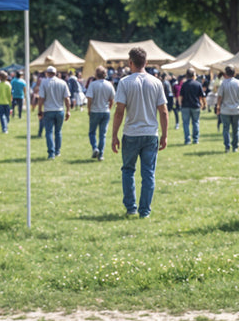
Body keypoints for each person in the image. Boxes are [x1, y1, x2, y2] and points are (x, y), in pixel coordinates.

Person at [111, 46, 168, 218]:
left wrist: (114, 135)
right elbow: (163, 111)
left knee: (128, 170)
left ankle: (131, 207)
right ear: (146, 62)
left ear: (130, 63)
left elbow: (119, 111)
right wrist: (165, 135)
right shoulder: (156, 82)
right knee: (148, 173)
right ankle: (145, 211)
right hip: (151, 133)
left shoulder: (125, 82)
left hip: (131, 133)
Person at [36, 65, 70, 159]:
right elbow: (67, 98)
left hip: (48, 110)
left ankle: (51, 153)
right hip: (59, 110)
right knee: (58, 132)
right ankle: (57, 151)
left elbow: (41, 98)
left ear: (47, 73)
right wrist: (68, 111)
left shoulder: (44, 83)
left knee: (49, 132)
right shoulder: (62, 83)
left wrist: (39, 110)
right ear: (56, 73)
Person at [85, 65, 115, 160]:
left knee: (92, 132)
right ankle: (101, 154)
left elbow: (89, 99)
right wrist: (109, 108)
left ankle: (95, 148)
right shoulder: (109, 84)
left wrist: (89, 110)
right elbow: (112, 99)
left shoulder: (93, 85)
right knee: (103, 134)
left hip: (95, 111)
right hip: (105, 111)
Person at [179, 67, 206, 144]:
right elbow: (202, 96)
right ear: (194, 75)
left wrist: (180, 103)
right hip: (195, 106)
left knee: (186, 123)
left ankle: (187, 140)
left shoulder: (184, 84)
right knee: (196, 122)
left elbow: (181, 96)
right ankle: (195, 139)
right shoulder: (198, 84)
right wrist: (204, 104)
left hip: (185, 106)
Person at [216, 65, 239, 152]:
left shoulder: (223, 83)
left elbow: (220, 97)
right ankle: (235, 147)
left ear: (226, 73)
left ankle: (227, 147)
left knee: (226, 129)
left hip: (225, 110)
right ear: (234, 73)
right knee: (235, 129)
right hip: (236, 110)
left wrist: (218, 107)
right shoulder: (238, 83)